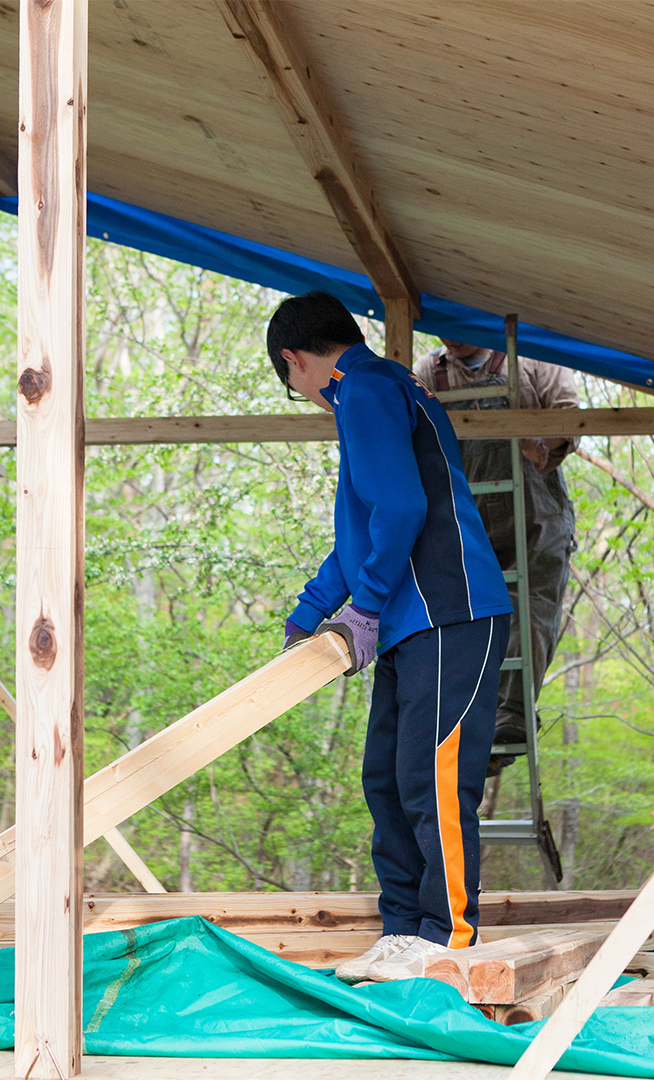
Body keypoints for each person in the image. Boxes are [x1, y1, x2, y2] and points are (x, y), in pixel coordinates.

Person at [269, 292, 512, 982]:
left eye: (294, 385)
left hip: (450, 612)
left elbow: (402, 508)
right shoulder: (368, 393)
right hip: (410, 623)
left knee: (430, 781)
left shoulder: (368, 389)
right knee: (386, 778)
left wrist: (365, 607)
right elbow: (364, 530)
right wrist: (312, 610)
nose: (304, 395)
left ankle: (445, 937)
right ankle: (403, 929)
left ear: (294, 360)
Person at [413, 341, 579, 771]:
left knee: (531, 609)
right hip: (468, 510)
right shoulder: (429, 372)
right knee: (468, 612)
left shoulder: (537, 360)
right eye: (443, 332)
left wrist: (533, 438)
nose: (452, 339)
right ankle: (469, 719)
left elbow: (571, 418)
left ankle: (512, 717)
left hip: (536, 510)